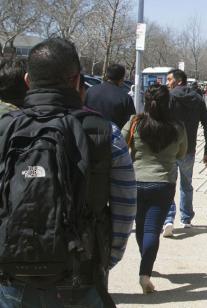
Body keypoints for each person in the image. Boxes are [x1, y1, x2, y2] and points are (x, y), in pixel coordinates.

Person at [0, 37, 136, 307]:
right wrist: (106, 257)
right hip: (80, 273)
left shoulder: (4, 130)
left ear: (28, 80)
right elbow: (125, 204)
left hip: (12, 277)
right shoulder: (105, 133)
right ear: (77, 81)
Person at [122, 84, 187, 293]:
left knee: (140, 227)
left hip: (135, 181)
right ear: (168, 102)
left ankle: (145, 260)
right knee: (152, 229)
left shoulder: (135, 122)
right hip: (163, 183)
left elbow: (121, 145)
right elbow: (181, 153)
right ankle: (145, 273)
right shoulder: (177, 126)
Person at [163, 69, 207, 236]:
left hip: (169, 147)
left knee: (169, 183)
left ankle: (168, 218)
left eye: (169, 79)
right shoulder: (198, 99)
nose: (167, 82)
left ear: (178, 81)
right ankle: (186, 219)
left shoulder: (168, 97)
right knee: (186, 184)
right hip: (188, 148)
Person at [85, 63, 136, 128]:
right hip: (114, 136)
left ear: (106, 75)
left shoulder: (90, 91)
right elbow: (131, 124)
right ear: (122, 78)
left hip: (88, 134)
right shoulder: (125, 98)